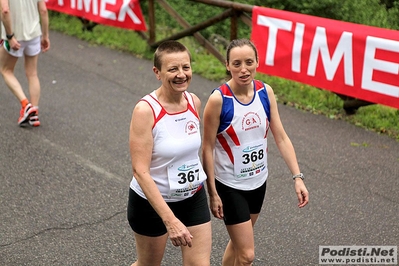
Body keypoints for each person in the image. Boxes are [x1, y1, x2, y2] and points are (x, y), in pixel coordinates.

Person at [201, 39, 309, 266]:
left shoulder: (264, 92)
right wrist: (212, 192)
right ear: (227, 65)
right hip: (229, 185)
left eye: (249, 62)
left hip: (258, 182)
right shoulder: (219, 100)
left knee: (239, 243)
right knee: (247, 254)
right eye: (237, 63)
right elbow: (207, 148)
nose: (244, 69)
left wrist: (297, 177)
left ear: (257, 62)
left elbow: (280, 136)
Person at [127, 40, 212, 266]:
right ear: (157, 72)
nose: (181, 74)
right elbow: (140, 171)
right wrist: (170, 220)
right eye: (173, 69)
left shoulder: (194, 102)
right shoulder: (145, 110)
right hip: (152, 203)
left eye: (186, 67)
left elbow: (193, 153)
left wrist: (213, 193)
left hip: (193, 196)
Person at [0, 0, 50, 127]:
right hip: (34, 33)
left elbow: (5, 10)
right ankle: (34, 112)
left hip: (15, 35)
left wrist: (10, 36)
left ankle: (26, 105)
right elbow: (43, 10)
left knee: (5, 70)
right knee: (32, 74)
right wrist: (45, 36)